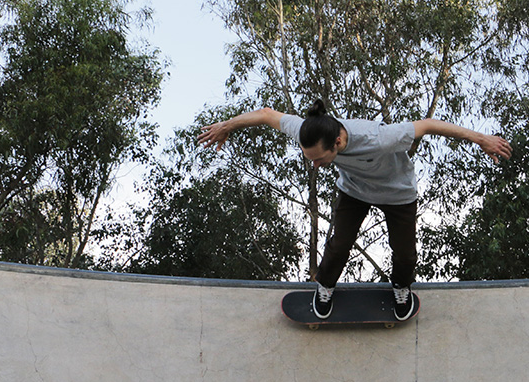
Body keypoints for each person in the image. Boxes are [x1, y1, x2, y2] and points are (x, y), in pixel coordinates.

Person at [197, 100, 512, 320]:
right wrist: (226, 126)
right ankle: (325, 287)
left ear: (338, 141)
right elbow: (267, 115)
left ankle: (401, 287)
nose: (316, 165)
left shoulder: (379, 138)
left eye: (320, 159)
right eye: (311, 160)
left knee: (405, 254)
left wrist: (482, 139)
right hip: (355, 192)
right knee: (338, 246)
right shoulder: (309, 130)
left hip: (397, 193)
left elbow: (428, 125)